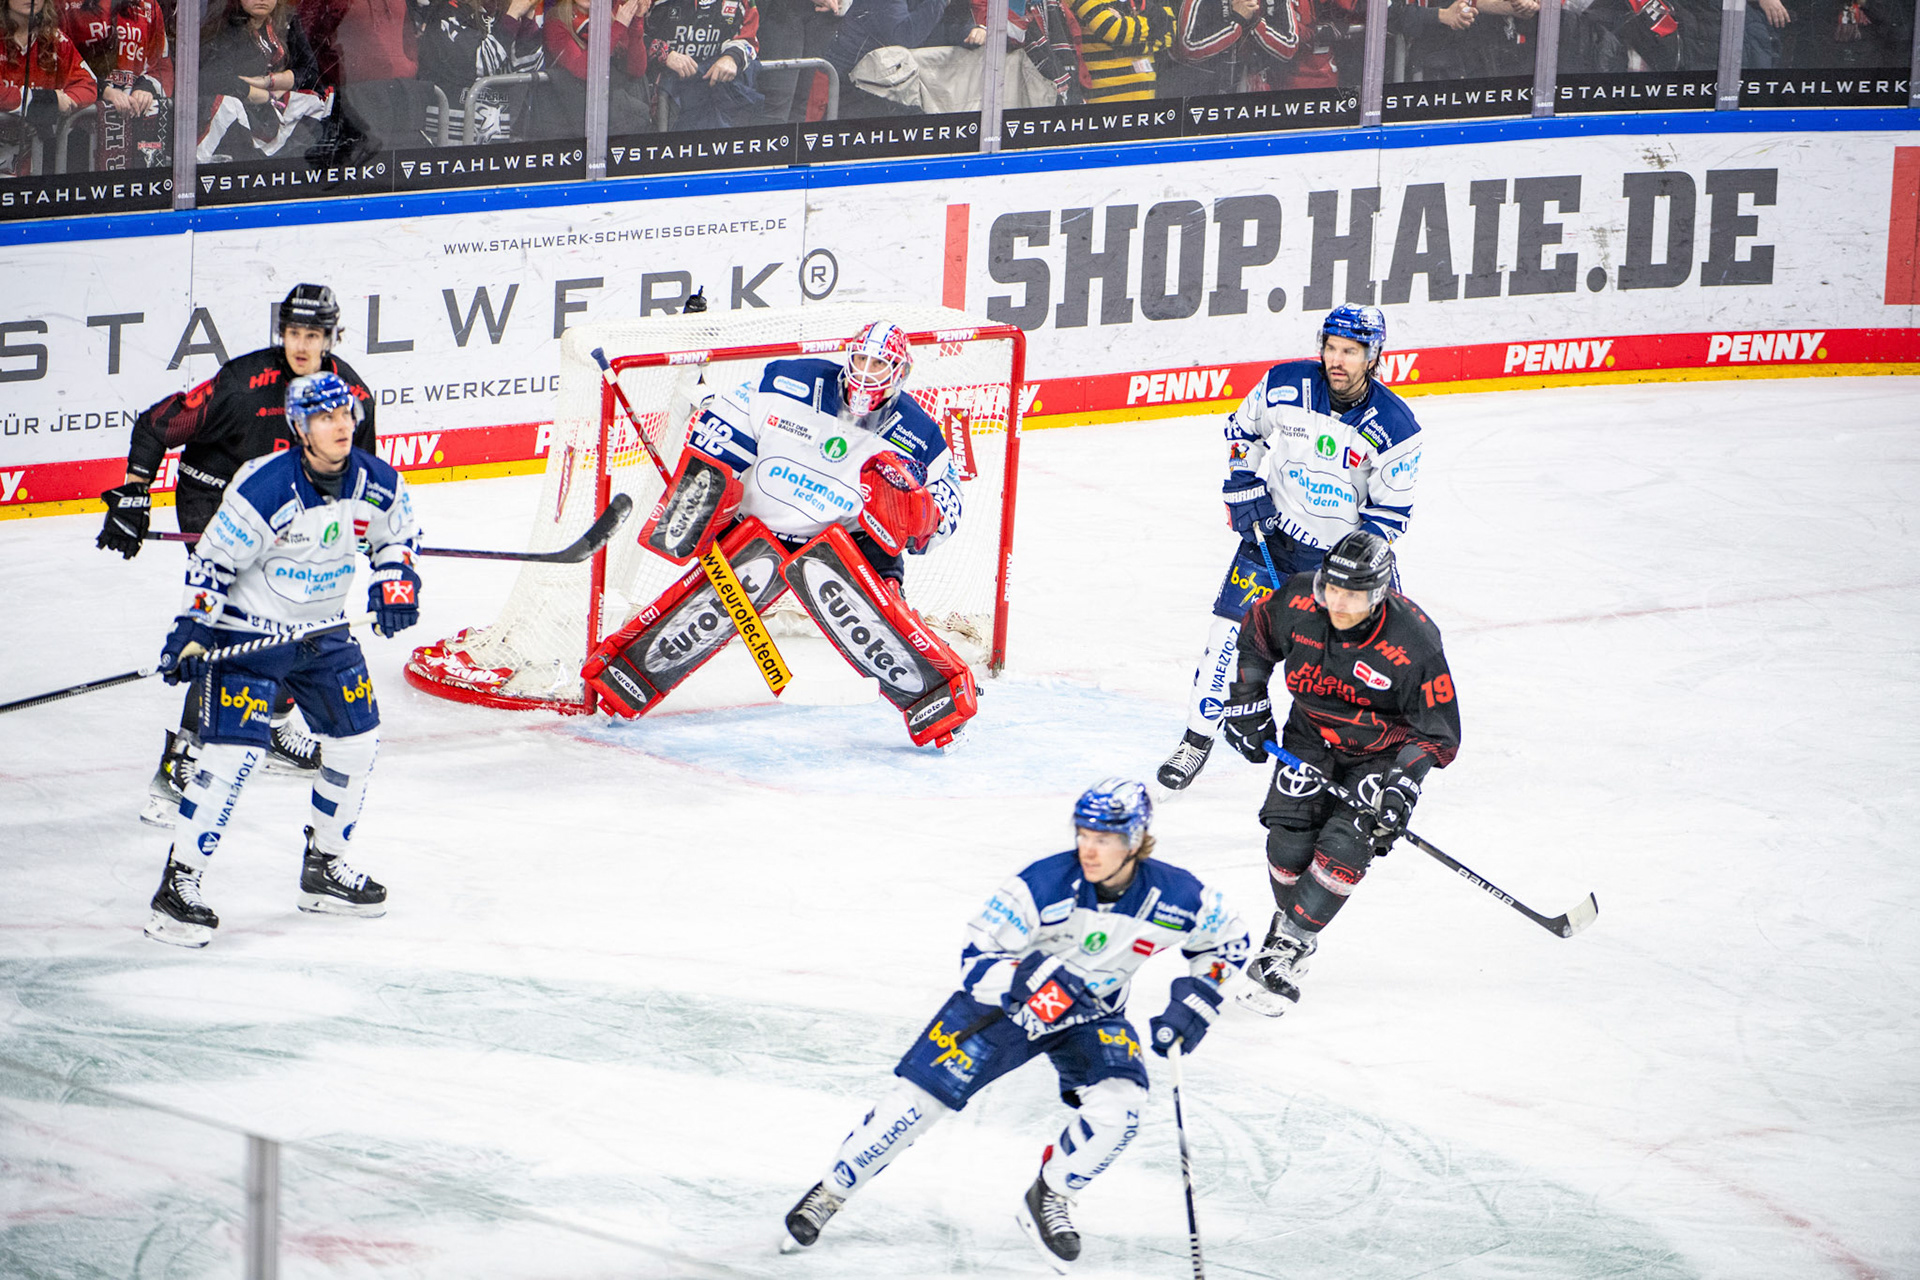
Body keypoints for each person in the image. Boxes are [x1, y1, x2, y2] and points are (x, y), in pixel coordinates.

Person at [779, 779, 1250, 1268]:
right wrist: (1035, 978)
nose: (1089, 848)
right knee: (913, 1108)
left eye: (1104, 839)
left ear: (1134, 841)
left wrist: (1197, 1000)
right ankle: (832, 1191)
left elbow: (1229, 940)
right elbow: (975, 960)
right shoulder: (1040, 884)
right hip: (1003, 1010)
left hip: (1092, 1014)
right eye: (1083, 833)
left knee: (1122, 1109)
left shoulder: (1175, 894)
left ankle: (1050, 1195)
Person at [581, 319, 979, 749]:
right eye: (861, 358)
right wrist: (704, 490)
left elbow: (947, 504)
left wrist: (922, 519)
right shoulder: (790, 380)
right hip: (759, 522)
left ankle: (937, 698)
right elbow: (727, 418)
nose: (866, 372)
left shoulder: (918, 434)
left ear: (901, 372)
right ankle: (625, 677)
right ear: (847, 356)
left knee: (880, 619)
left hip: (847, 538)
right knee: (707, 604)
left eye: (879, 364)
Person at [142, 372, 420, 949]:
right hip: (249, 635)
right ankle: (178, 886)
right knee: (233, 758)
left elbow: (396, 538)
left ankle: (324, 867)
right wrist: (195, 630)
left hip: (323, 631)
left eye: (345, 414)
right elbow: (212, 565)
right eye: (325, 418)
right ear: (300, 428)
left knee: (358, 742)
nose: (341, 425)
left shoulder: (374, 481)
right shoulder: (266, 488)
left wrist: (396, 582)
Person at [96, 284, 379, 824]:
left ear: (331, 338)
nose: (301, 344)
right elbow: (157, 424)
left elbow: (360, 472)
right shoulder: (244, 384)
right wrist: (133, 496)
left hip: (286, 511)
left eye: (313, 335)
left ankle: (270, 719)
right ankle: (180, 760)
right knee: (234, 622)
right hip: (215, 499)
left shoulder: (352, 396)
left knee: (304, 610)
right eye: (293, 333)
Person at [1156, 303, 1423, 791]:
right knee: (1226, 642)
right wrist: (1241, 480)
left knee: (1372, 660)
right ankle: (1196, 739)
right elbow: (1244, 428)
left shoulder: (1397, 428)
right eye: (1331, 348)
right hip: (1273, 541)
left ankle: (1379, 761)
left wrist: (1351, 570)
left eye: (1350, 351)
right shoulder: (1287, 384)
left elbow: (1389, 516)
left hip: (1341, 563)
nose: (1337, 360)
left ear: (1374, 356)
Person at [1219, 530, 1459, 1013]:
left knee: (1345, 846)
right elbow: (1256, 635)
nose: (1339, 603)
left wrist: (1403, 786)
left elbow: (1435, 733)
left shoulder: (1414, 642)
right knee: (1287, 845)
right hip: (1310, 737)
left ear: (1379, 593)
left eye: (1353, 595)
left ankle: (1285, 948)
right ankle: (1293, 929)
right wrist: (1247, 700)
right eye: (1332, 589)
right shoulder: (1299, 600)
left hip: (1380, 754)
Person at [196, 0, 335, 162]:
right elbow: (211, 77)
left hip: (271, 104)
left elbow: (310, 71)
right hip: (241, 109)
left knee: (318, 99)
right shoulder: (224, 25)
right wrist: (259, 94)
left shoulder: (286, 20)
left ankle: (287, 165)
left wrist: (270, 81)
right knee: (228, 107)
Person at [62, 0, 174, 171]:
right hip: (78, 129)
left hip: (132, 126)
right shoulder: (66, 4)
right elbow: (58, 64)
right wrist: (103, 91)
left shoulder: (148, 5)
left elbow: (161, 66)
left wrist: (145, 88)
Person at [1, 0, 101, 178]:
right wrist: (48, 101)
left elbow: (88, 84)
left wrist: (65, 101)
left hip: (34, 168)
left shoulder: (55, 39)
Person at [644, 0, 761, 128]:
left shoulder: (741, 3)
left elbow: (749, 38)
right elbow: (625, 33)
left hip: (712, 97)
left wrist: (732, 57)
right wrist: (664, 53)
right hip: (657, 98)